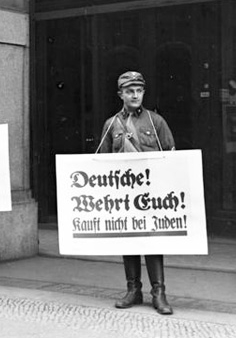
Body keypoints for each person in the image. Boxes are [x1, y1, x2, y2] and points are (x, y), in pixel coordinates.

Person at [96, 71, 176, 315]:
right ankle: (133, 290)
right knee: (128, 239)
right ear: (121, 94)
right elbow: (102, 161)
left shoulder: (155, 122)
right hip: (123, 194)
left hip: (151, 194)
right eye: (129, 91)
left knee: (152, 241)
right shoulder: (111, 124)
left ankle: (159, 293)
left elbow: (171, 154)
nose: (135, 95)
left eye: (139, 90)